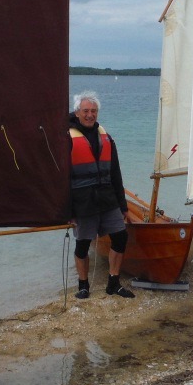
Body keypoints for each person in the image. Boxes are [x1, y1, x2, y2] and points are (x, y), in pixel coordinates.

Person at [68, 90, 135, 299]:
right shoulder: (66, 137)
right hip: (82, 202)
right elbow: (60, 178)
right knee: (82, 244)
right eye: (86, 111)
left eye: (94, 111)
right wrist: (66, 210)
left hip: (107, 199)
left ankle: (113, 283)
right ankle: (83, 285)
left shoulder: (105, 136)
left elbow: (115, 172)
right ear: (77, 112)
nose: (90, 115)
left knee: (121, 237)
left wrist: (123, 206)